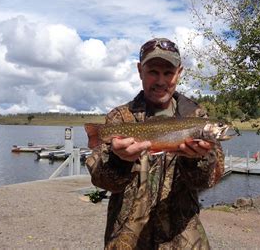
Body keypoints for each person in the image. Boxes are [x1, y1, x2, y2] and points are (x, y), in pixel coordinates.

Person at [86, 37, 225, 249]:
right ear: (140, 70)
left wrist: (196, 160)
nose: (161, 81)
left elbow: (210, 180)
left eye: (168, 73)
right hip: (127, 240)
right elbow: (101, 181)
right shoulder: (121, 118)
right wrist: (119, 161)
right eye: (153, 72)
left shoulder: (197, 117)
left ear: (179, 73)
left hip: (183, 240)